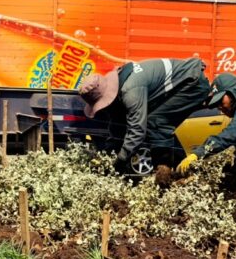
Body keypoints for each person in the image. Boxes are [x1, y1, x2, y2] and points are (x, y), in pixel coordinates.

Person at [79, 56, 221, 179]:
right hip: (184, 81)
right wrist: (109, 155)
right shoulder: (120, 86)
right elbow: (118, 126)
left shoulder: (131, 91)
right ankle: (182, 171)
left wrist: (120, 162)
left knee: (157, 122)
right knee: (160, 126)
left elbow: (137, 131)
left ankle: (165, 174)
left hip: (191, 83)